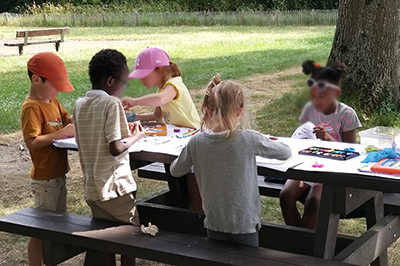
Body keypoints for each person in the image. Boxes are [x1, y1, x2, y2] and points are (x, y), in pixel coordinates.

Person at [169, 75, 292, 247]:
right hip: (245, 224)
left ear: (209, 111)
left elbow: (175, 170)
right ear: (240, 111)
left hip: (214, 222)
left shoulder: (196, 142)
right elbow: (286, 152)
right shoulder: (249, 139)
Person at [74, 49, 145, 266]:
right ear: (111, 80)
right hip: (116, 189)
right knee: (128, 239)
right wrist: (136, 136)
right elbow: (115, 147)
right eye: (124, 82)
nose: (125, 87)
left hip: (94, 189)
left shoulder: (79, 104)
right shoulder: (111, 103)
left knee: (106, 240)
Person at [279, 60, 362, 229]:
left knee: (314, 201)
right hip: (307, 166)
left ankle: (306, 246)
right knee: (286, 195)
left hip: (332, 171)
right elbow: (303, 135)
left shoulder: (347, 114)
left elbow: (352, 152)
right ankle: (297, 242)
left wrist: (328, 139)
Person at [21, 52, 75, 266]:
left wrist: (75, 117)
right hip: (44, 180)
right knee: (41, 227)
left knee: (56, 224)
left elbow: (65, 118)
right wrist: (60, 134)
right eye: (55, 84)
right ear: (37, 80)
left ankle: (51, 260)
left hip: (59, 176)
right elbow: (32, 142)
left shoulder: (52, 99)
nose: (58, 90)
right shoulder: (31, 107)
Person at [121, 47, 200, 129]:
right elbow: (156, 117)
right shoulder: (162, 90)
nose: (141, 78)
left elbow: (159, 99)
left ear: (159, 69)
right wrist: (128, 117)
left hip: (193, 133)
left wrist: (134, 102)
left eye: (144, 74)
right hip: (181, 134)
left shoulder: (174, 85)